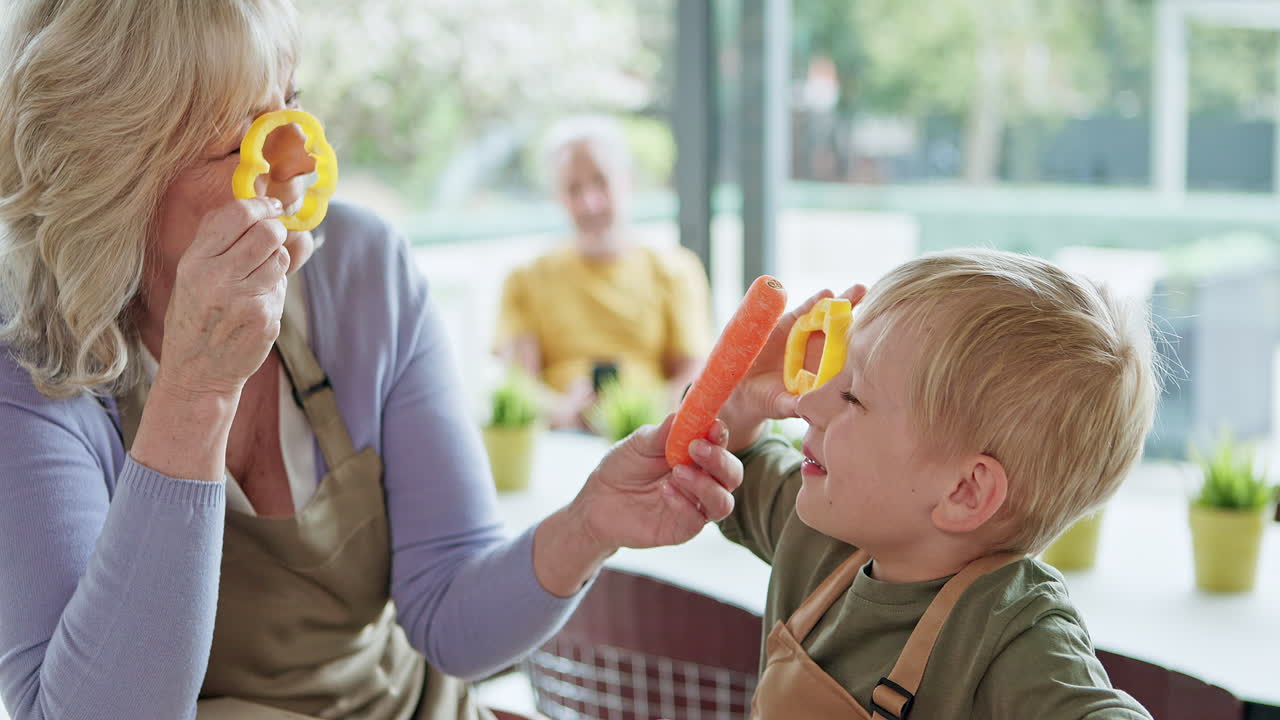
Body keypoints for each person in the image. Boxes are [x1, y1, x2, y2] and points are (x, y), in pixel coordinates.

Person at [0, 3, 742, 719]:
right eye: (239, 144)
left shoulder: (362, 271)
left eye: (290, 106)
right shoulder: (31, 371)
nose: (300, 160)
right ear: (115, 180)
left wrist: (591, 521)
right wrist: (198, 390)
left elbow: (452, 622)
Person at [703, 249, 1159, 717]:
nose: (808, 405)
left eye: (853, 396)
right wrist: (740, 393)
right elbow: (720, 458)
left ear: (965, 492)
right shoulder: (824, 533)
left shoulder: (1018, 637)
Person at [495, 115, 711, 430]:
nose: (589, 203)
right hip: (560, 439)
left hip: (653, 434)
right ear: (557, 196)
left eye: (600, 182)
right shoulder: (525, 278)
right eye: (573, 188)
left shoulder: (676, 271)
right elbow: (519, 384)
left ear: (627, 182)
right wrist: (564, 411)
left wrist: (633, 413)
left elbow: (695, 377)